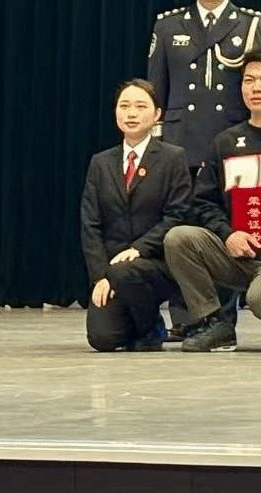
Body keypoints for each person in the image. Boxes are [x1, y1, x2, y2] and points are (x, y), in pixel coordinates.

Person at [163, 48, 261, 352]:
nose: (256, 88)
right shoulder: (225, 142)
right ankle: (216, 323)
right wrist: (228, 234)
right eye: (249, 80)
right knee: (179, 238)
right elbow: (203, 202)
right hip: (235, 252)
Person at [80, 79, 191, 351]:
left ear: (156, 114)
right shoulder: (100, 162)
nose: (131, 113)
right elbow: (90, 224)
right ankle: (138, 320)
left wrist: (139, 248)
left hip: (157, 264)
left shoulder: (173, 158)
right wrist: (100, 276)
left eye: (140, 107)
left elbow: (177, 215)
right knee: (103, 339)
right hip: (113, 269)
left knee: (126, 271)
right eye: (124, 106)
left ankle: (151, 327)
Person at [147, 0, 261, 168]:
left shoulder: (252, 24)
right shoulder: (168, 26)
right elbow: (156, 87)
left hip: (233, 134)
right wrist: (155, 139)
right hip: (180, 139)